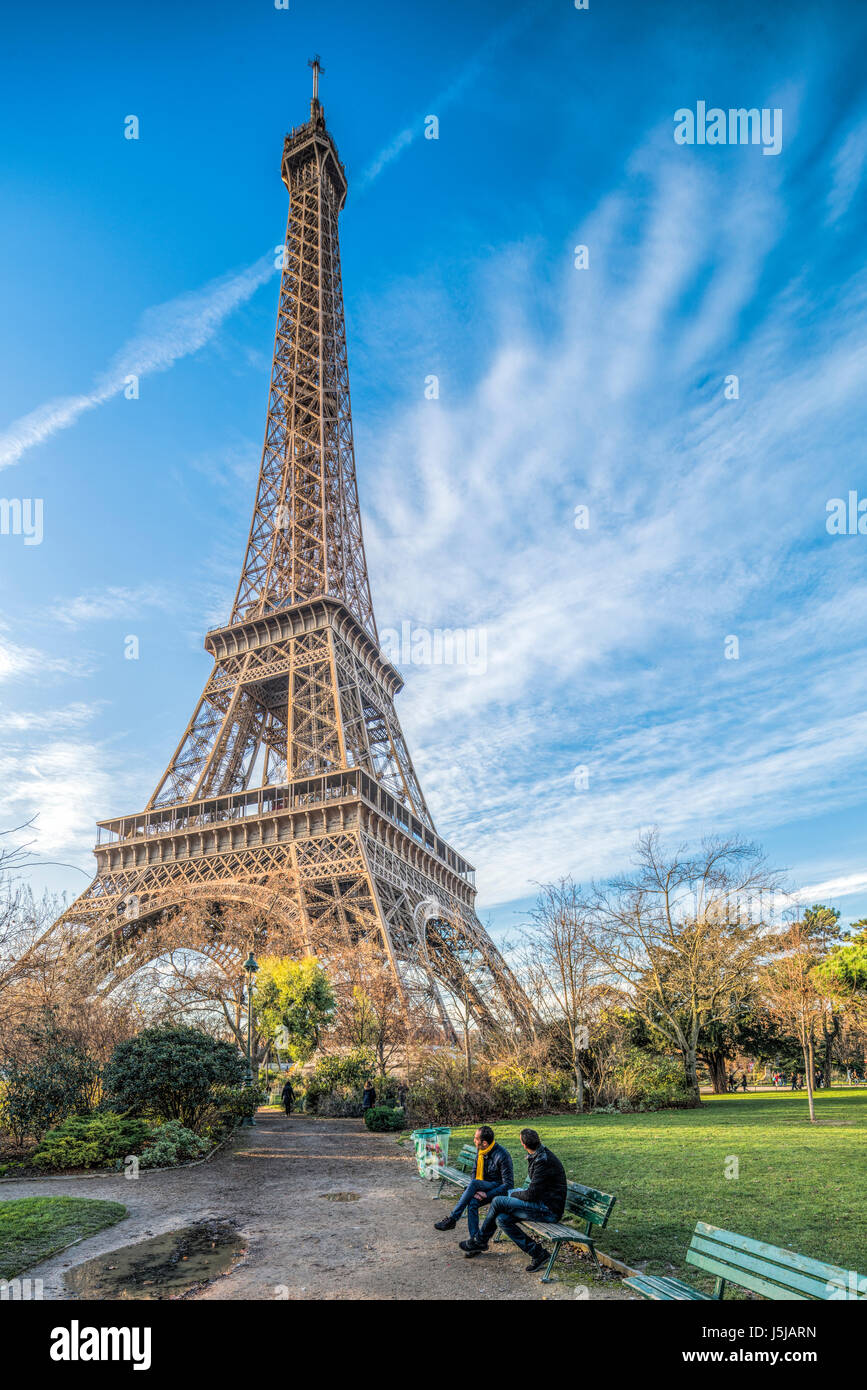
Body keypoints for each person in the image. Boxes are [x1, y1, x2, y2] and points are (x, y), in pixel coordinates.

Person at [460, 1128, 568, 1274]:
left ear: (523, 1144)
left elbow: (530, 1195)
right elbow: (534, 1192)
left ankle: (479, 1241)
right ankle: (538, 1253)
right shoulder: (538, 1155)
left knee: (498, 1201)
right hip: (541, 1203)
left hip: (548, 1210)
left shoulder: (543, 1160)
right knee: (502, 1219)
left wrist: (513, 1194)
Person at [433, 1126, 513, 1241]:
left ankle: (453, 1219)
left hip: (498, 1187)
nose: (474, 1141)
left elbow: (508, 1185)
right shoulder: (481, 1151)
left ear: (484, 1143)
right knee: (472, 1202)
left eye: (476, 1139)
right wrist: (476, 1190)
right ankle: (475, 1241)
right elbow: (474, 1171)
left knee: (474, 1183)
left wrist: (487, 1194)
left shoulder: (502, 1155)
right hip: (482, 1185)